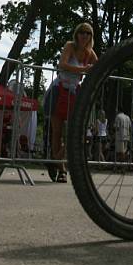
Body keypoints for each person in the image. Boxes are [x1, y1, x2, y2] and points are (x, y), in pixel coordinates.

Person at [51, 23, 98, 182]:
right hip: (59, 90)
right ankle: (61, 170)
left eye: (88, 33)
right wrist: (84, 70)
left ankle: (55, 161)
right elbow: (62, 64)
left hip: (74, 93)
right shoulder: (70, 46)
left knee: (74, 132)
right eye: (82, 32)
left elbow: (100, 67)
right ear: (77, 34)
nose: (85, 35)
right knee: (57, 132)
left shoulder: (89, 53)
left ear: (91, 37)